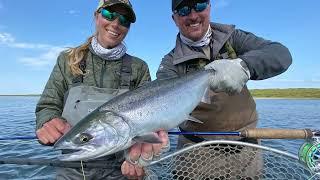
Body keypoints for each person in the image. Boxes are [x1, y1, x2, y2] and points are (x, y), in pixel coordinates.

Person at [155, 0, 292, 178]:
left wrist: (245, 66)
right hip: (195, 156)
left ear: (210, 7)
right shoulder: (169, 63)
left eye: (199, 6)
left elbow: (280, 54)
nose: (193, 15)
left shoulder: (233, 38)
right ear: (174, 18)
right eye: (183, 10)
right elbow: (159, 103)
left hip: (249, 151)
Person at [35, 0, 168, 179]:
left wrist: (142, 153)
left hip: (121, 166)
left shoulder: (139, 67)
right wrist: (47, 120)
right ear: (96, 16)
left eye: (124, 20)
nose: (116, 24)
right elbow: (48, 104)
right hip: (73, 168)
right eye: (109, 15)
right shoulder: (67, 60)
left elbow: (150, 117)